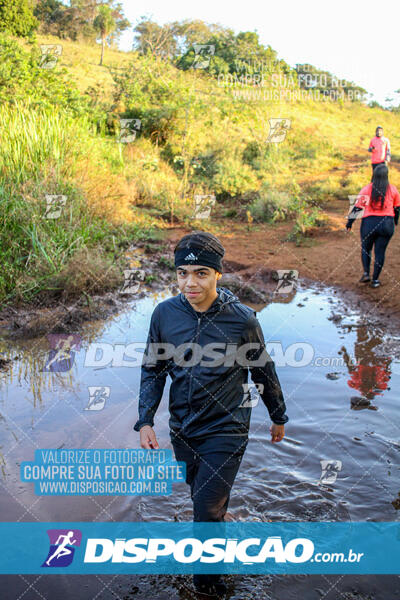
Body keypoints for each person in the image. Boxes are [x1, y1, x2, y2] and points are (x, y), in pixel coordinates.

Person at [133, 230, 288, 597]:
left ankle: (208, 587)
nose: (191, 282)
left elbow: (263, 370)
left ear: (218, 274)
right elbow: (153, 370)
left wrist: (278, 415)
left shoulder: (242, 320)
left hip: (228, 427)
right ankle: (219, 520)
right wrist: (144, 419)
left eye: (201, 273)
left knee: (202, 510)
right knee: (203, 499)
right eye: (183, 273)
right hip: (184, 427)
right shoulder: (165, 314)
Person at [346, 164, 400, 288]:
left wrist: (349, 223)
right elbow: (397, 208)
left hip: (369, 224)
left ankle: (366, 274)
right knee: (380, 252)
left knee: (366, 249)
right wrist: (395, 221)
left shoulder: (367, 189)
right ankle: (375, 280)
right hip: (387, 223)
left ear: (373, 175)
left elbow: (358, 208)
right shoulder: (393, 189)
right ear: (387, 176)